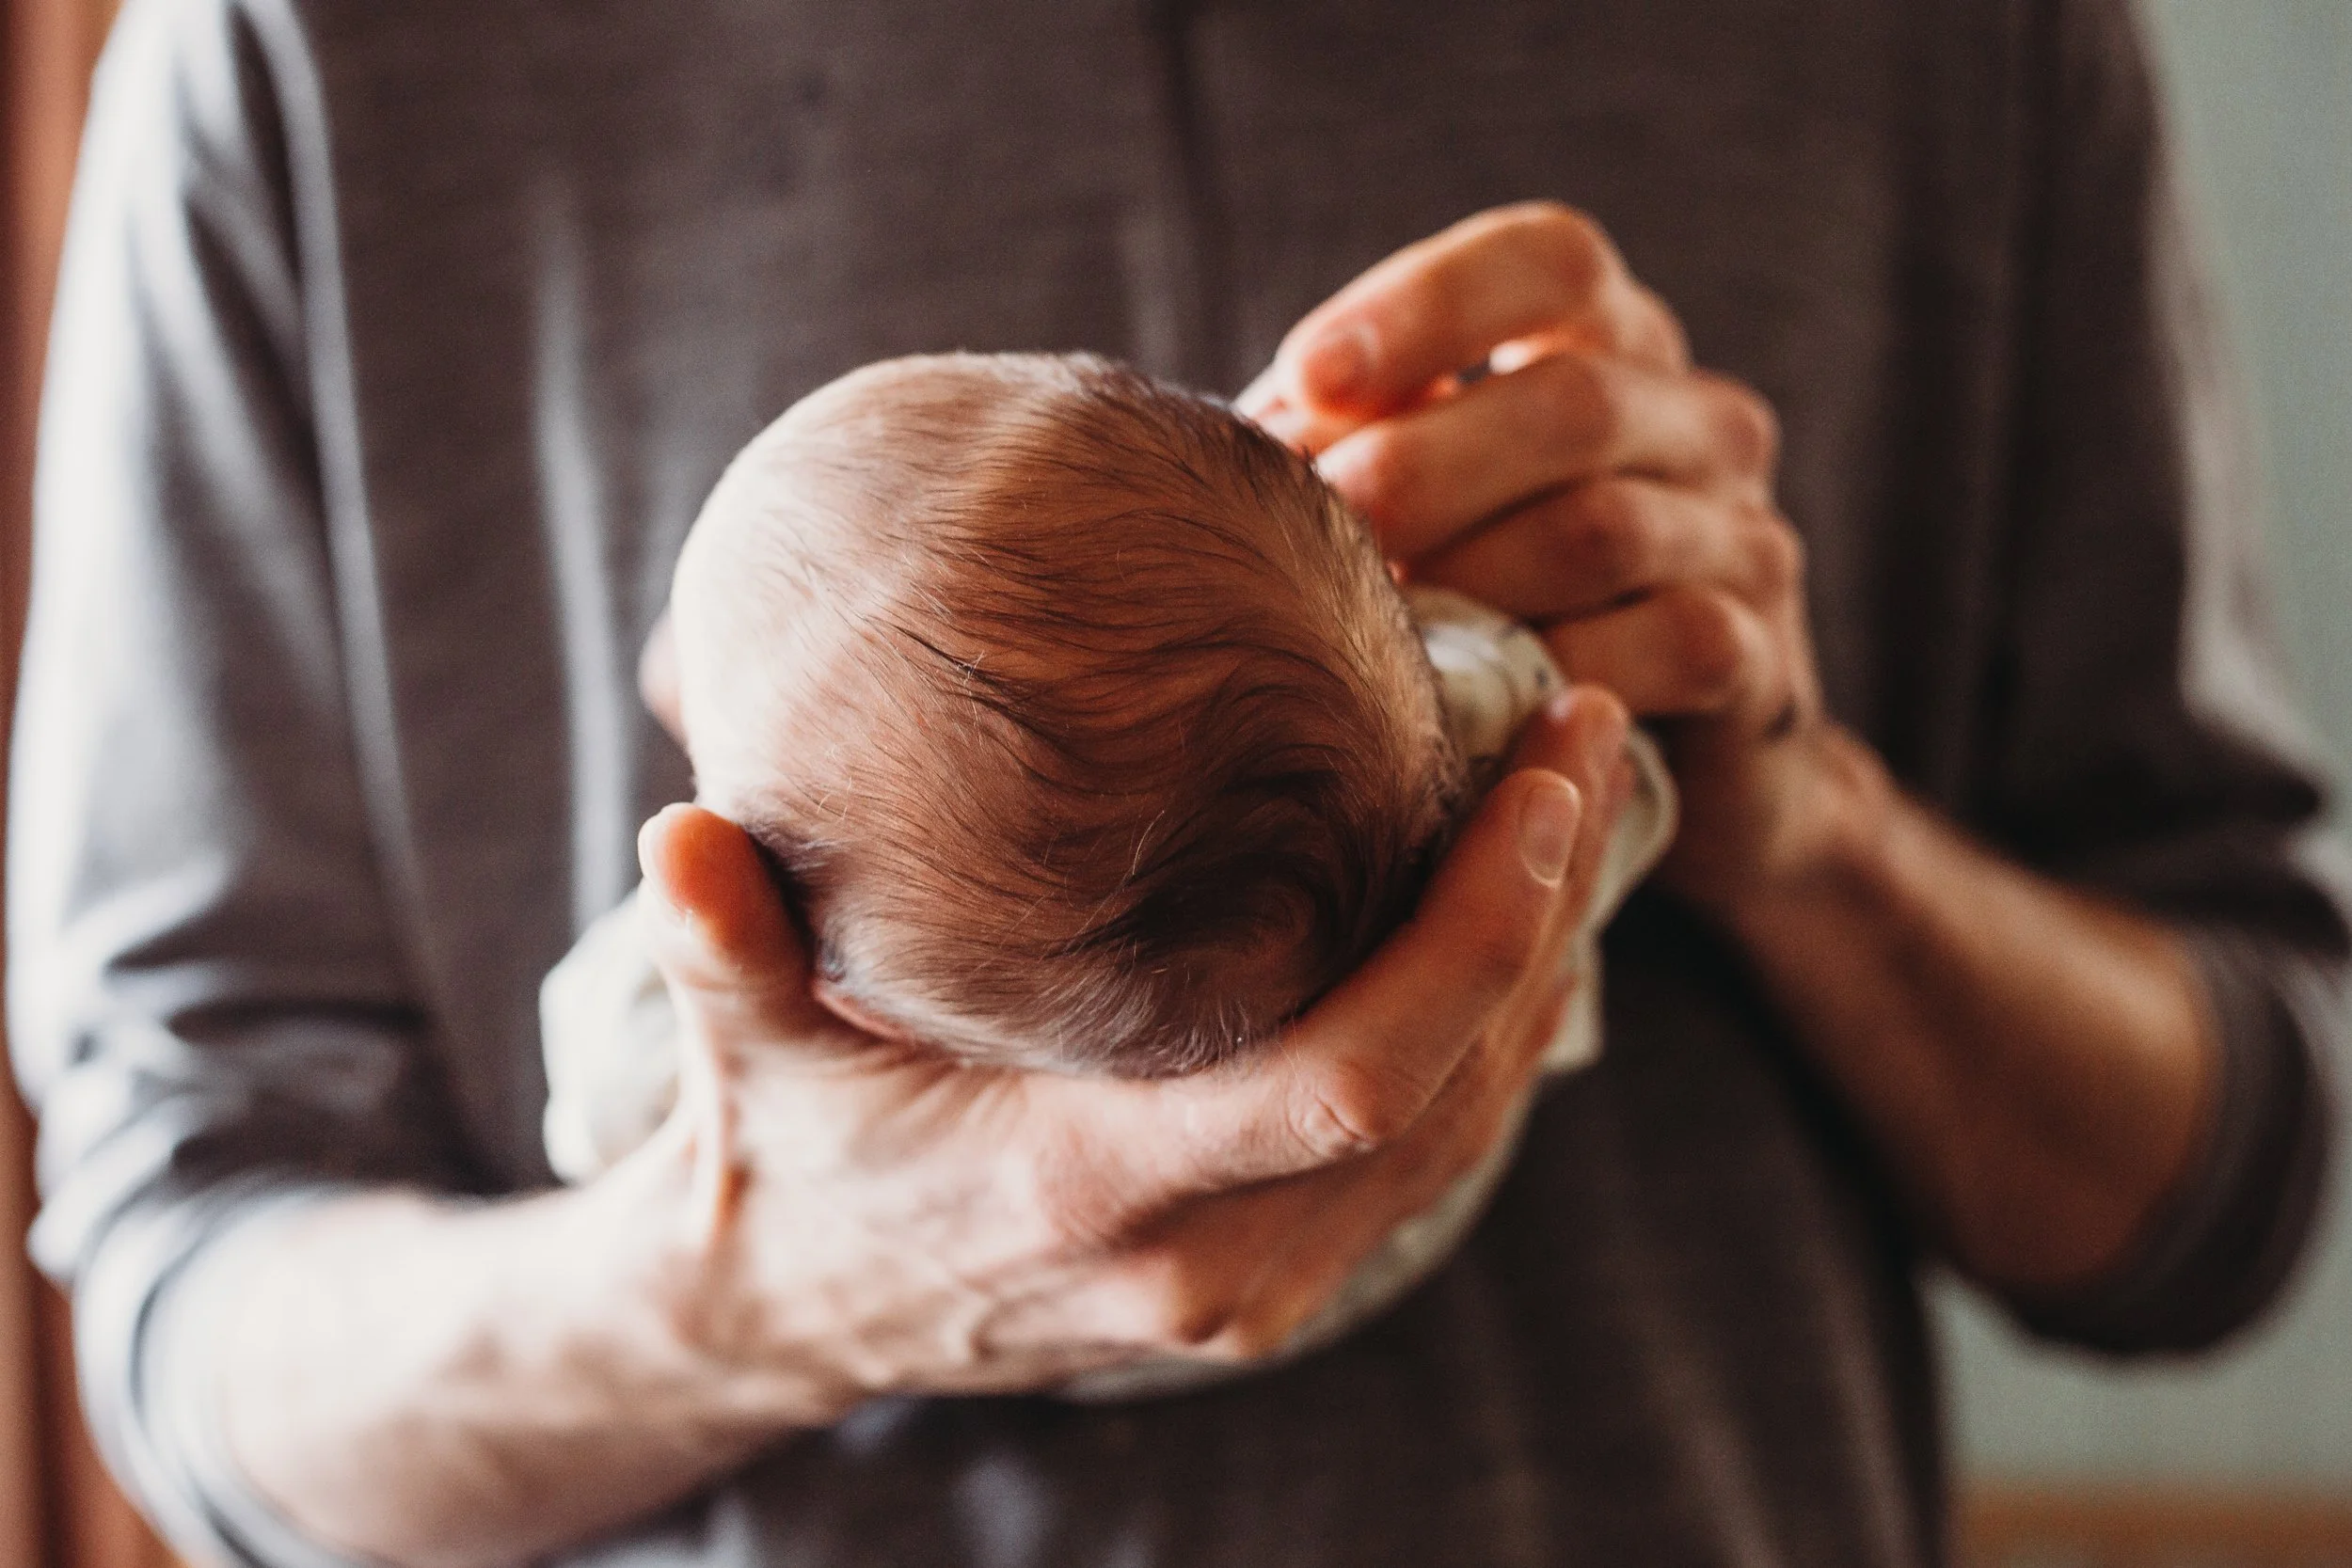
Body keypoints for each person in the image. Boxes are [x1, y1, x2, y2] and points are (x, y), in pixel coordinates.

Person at [9, 3, 2341, 1567]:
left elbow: (2232, 1182)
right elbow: (193, 1326)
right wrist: (766, 1279)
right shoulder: (316, 55)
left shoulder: (1949, 44)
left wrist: (1798, 826)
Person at [533, 349, 1677, 1402]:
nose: (662, 683)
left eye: (698, 738)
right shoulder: (1484, 708)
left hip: (1078, 1338)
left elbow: (598, 1122)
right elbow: (1622, 786)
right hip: (1412, 1210)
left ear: (834, 990)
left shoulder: (701, 1009)